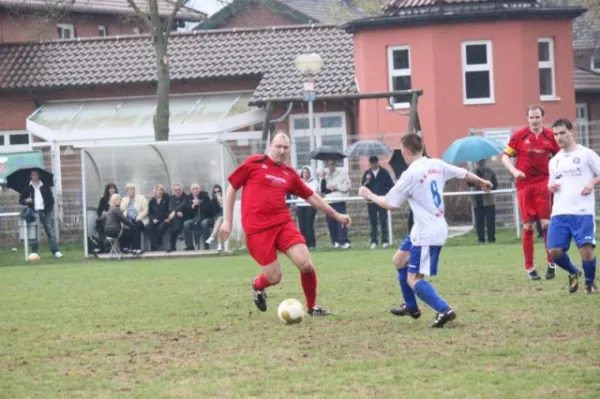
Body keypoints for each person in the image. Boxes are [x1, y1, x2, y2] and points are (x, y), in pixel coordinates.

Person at [358, 133, 492, 328]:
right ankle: (411, 306)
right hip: (423, 229)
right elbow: (462, 173)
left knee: (414, 279)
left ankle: (444, 309)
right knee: (399, 260)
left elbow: (390, 204)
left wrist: (369, 194)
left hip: (427, 233)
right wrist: (482, 181)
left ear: (405, 151)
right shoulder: (435, 164)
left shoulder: (410, 174)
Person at [218, 132, 351, 316]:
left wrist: (336, 215)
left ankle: (312, 307)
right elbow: (232, 188)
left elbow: (311, 196)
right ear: (270, 146)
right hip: (257, 230)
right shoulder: (253, 163)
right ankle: (257, 285)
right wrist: (227, 220)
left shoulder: (289, 173)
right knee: (274, 277)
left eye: (286, 148)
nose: (282, 151)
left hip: (282, 224)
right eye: (278, 146)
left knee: (306, 264)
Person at [501, 105, 560, 281]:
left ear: (543, 118)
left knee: (547, 223)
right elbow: (505, 156)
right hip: (524, 184)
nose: (534, 120)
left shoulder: (550, 136)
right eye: (531, 117)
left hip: (543, 182)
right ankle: (530, 267)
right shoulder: (520, 136)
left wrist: (556, 179)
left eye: (537, 117)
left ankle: (552, 263)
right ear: (527, 119)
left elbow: (559, 158)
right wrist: (514, 171)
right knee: (528, 226)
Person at [547, 118, 600, 295]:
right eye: (555, 134)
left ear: (571, 132)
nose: (559, 137)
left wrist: (592, 182)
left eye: (562, 133)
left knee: (586, 251)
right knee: (554, 251)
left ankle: (589, 282)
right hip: (560, 212)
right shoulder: (554, 161)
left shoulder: (586, 154)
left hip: (582, 212)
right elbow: (551, 183)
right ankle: (573, 272)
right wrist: (551, 186)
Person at [19, 170, 63, 258]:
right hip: (33, 211)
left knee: (50, 232)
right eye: (32, 175)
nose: (34, 176)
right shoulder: (27, 187)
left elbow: (51, 200)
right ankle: (35, 252)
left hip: (45, 211)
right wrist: (26, 200)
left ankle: (55, 251)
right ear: (30, 176)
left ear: (38, 175)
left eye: (35, 174)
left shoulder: (45, 186)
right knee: (34, 233)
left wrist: (48, 209)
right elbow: (21, 200)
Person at [361, 155, 395, 249]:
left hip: (382, 200)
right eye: (371, 163)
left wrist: (387, 194)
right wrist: (367, 180)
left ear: (377, 162)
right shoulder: (367, 173)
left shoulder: (384, 172)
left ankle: (385, 240)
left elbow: (391, 184)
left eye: (374, 163)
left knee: (383, 220)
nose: (372, 165)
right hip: (371, 201)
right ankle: (374, 241)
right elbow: (363, 186)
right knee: (373, 221)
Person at [321, 158, 352, 249]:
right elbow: (323, 190)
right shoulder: (325, 176)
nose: (331, 166)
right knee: (331, 222)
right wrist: (323, 178)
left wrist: (336, 187)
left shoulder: (342, 174)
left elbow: (347, 187)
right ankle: (335, 241)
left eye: (332, 164)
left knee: (342, 222)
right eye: (329, 164)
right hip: (329, 202)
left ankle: (344, 241)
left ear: (335, 164)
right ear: (327, 165)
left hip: (339, 200)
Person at [468, 159, 498, 243]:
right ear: (476, 162)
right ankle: (481, 239)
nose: (480, 163)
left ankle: (491, 239)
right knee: (479, 221)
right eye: (479, 162)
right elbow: (469, 184)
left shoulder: (490, 172)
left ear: (485, 162)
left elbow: (495, 186)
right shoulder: (472, 172)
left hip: (488, 200)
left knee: (490, 221)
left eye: (482, 161)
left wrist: (488, 187)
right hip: (476, 199)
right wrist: (471, 180)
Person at [184, 183, 214, 250]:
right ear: (191, 191)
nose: (195, 190)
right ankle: (190, 246)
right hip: (194, 219)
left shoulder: (205, 196)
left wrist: (200, 204)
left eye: (197, 188)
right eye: (193, 189)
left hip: (206, 218)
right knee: (186, 224)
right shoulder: (188, 198)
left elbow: (209, 210)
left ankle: (206, 245)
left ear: (199, 189)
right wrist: (192, 207)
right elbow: (186, 212)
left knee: (204, 223)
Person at [296, 166, 319, 250]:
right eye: (304, 172)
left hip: (310, 206)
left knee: (309, 226)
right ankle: (304, 244)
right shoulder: (299, 181)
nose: (305, 174)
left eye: (307, 172)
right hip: (300, 205)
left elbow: (311, 193)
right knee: (302, 227)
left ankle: (312, 244)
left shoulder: (314, 182)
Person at [147, 184, 170, 251]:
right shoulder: (152, 201)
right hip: (155, 220)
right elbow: (149, 213)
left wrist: (164, 218)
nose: (160, 192)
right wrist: (153, 219)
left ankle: (156, 244)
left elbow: (169, 210)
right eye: (158, 190)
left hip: (165, 220)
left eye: (161, 190)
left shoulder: (167, 198)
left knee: (160, 228)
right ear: (155, 192)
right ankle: (155, 244)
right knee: (148, 227)